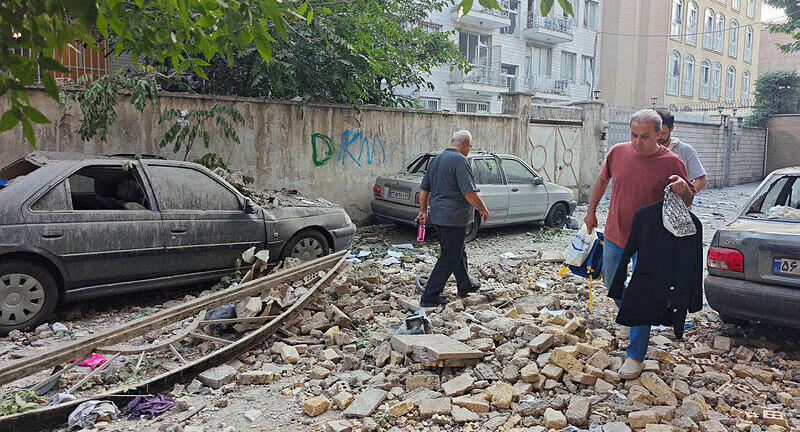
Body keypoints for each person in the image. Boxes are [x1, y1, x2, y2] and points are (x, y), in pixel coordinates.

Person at [584, 109, 695, 380]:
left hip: (651, 242)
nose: (637, 141)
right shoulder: (617, 152)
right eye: (634, 135)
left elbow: (688, 201)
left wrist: (683, 188)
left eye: (644, 137)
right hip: (616, 234)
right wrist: (591, 210)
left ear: (659, 134)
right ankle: (632, 315)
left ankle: (635, 355)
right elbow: (602, 180)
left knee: (642, 295)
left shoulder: (672, 161)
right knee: (611, 283)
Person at [417, 130, 490, 308]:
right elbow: (469, 192)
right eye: (470, 146)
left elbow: (424, 189)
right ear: (465, 143)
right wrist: (482, 208)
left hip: (438, 215)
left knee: (457, 250)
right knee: (450, 256)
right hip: (454, 217)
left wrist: (423, 211)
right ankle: (430, 296)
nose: (469, 149)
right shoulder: (460, 160)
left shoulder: (436, 160)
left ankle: (465, 285)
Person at [655, 108, 708, 193]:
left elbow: (701, 180)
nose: (659, 137)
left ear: (671, 128)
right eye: (656, 133)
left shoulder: (685, 150)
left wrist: (687, 196)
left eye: (663, 133)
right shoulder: (645, 149)